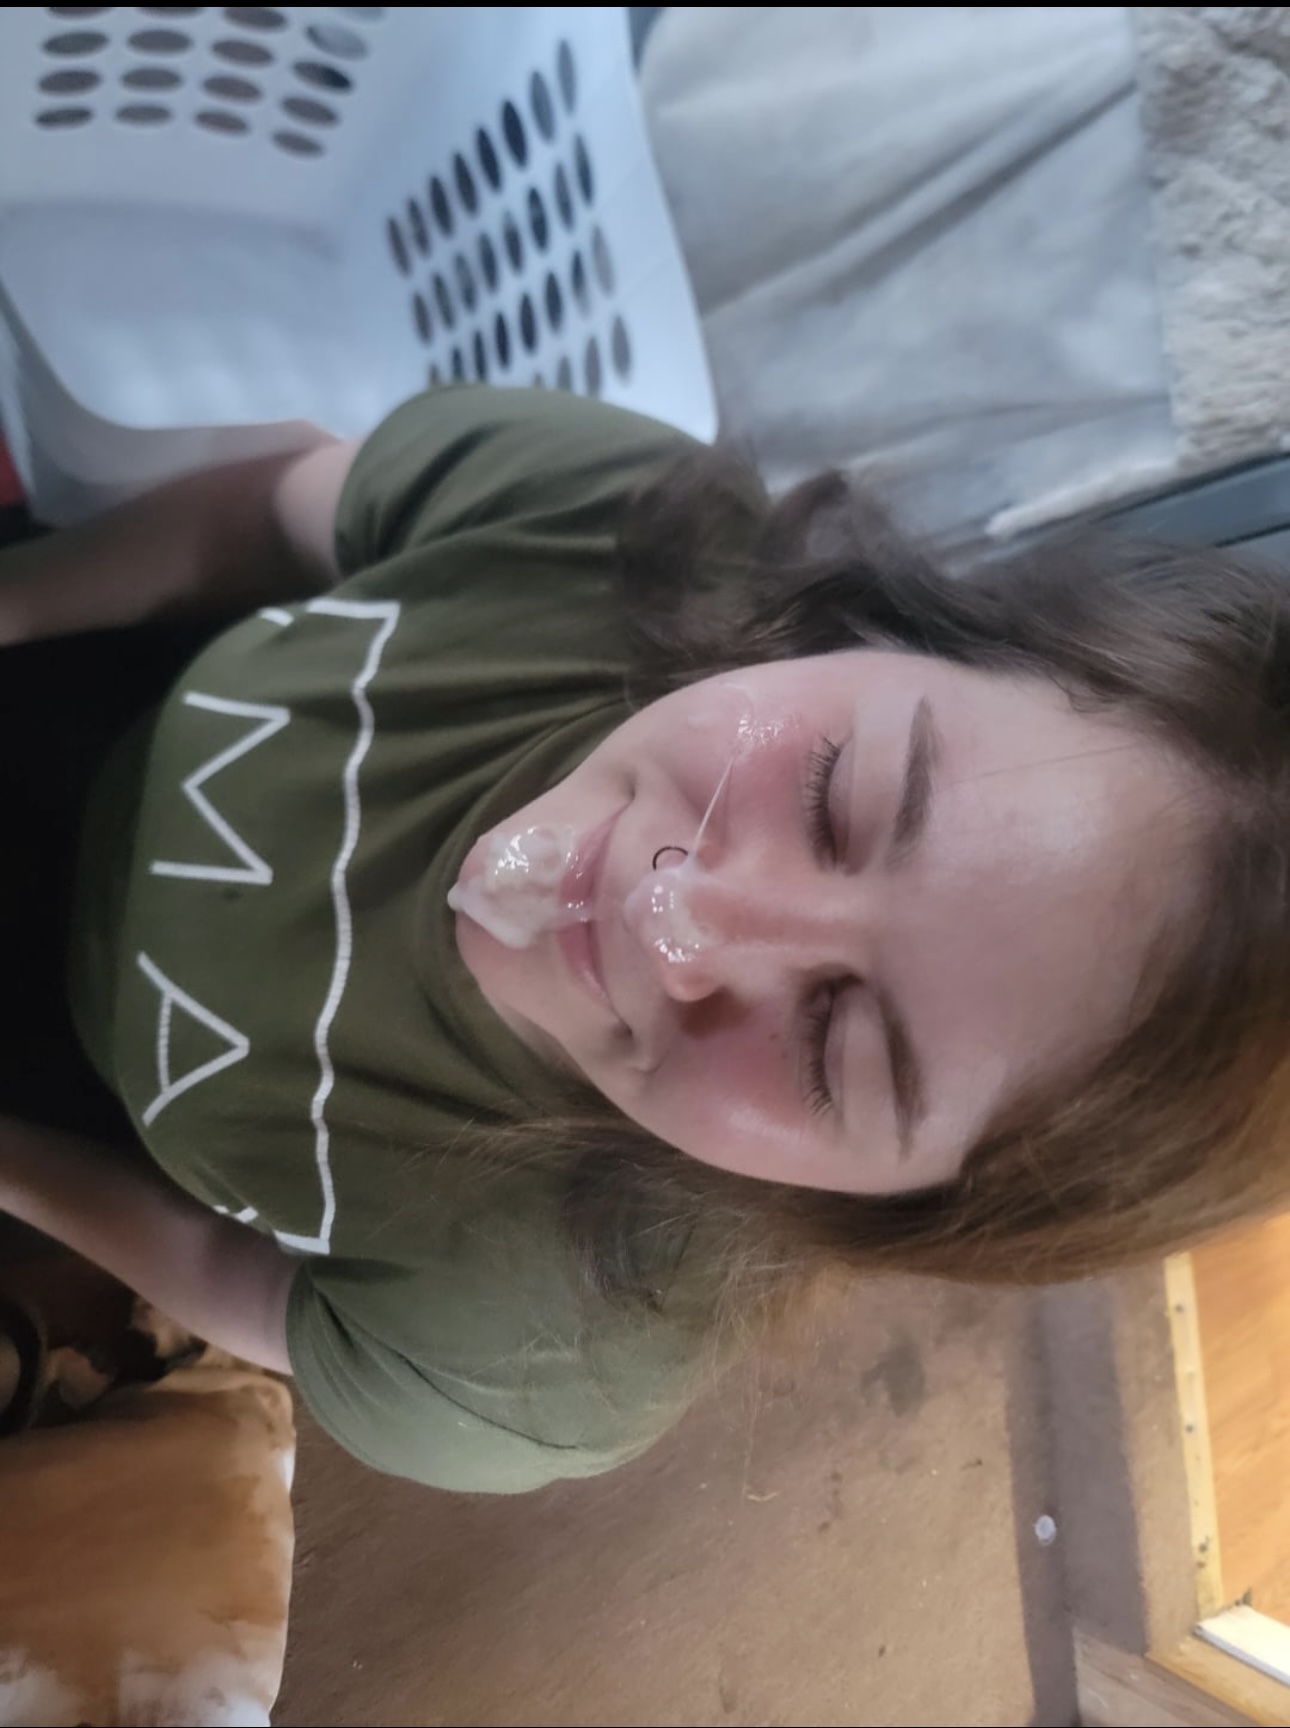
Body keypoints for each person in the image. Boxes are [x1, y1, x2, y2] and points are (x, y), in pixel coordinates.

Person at [0, 385, 1286, 1492]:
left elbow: (253, 1286)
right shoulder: (613, 525)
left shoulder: (537, 1359)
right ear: (889, 630)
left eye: (834, 1047)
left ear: (867, 1212)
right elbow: (268, 516)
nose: (681, 919)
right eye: (832, 794)